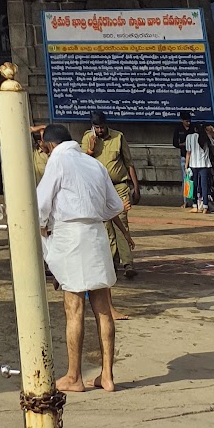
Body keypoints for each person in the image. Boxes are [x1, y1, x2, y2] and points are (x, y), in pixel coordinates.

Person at [36, 123, 123, 392]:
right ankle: (107, 376)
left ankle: (74, 376)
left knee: (74, 308)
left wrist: (43, 226)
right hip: (96, 234)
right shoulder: (93, 163)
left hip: (71, 236)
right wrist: (91, 213)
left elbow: (40, 205)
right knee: (103, 307)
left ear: (51, 145)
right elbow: (115, 206)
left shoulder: (58, 160)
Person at [82, 112, 140, 277]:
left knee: (121, 221)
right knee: (106, 225)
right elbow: (81, 163)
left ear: (106, 125)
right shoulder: (87, 138)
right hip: (98, 188)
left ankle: (127, 263)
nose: (100, 130)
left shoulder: (118, 137)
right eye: (97, 127)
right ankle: (112, 262)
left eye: (102, 127)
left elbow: (128, 163)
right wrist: (90, 150)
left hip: (118, 185)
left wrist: (136, 187)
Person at [183, 122, 214, 212]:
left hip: (193, 164)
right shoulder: (206, 136)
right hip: (204, 164)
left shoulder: (189, 137)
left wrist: (186, 166)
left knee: (194, 185)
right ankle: (205, 207)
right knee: (204, 186)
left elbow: (188, 152)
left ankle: (195, 206)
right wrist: (212, 132)